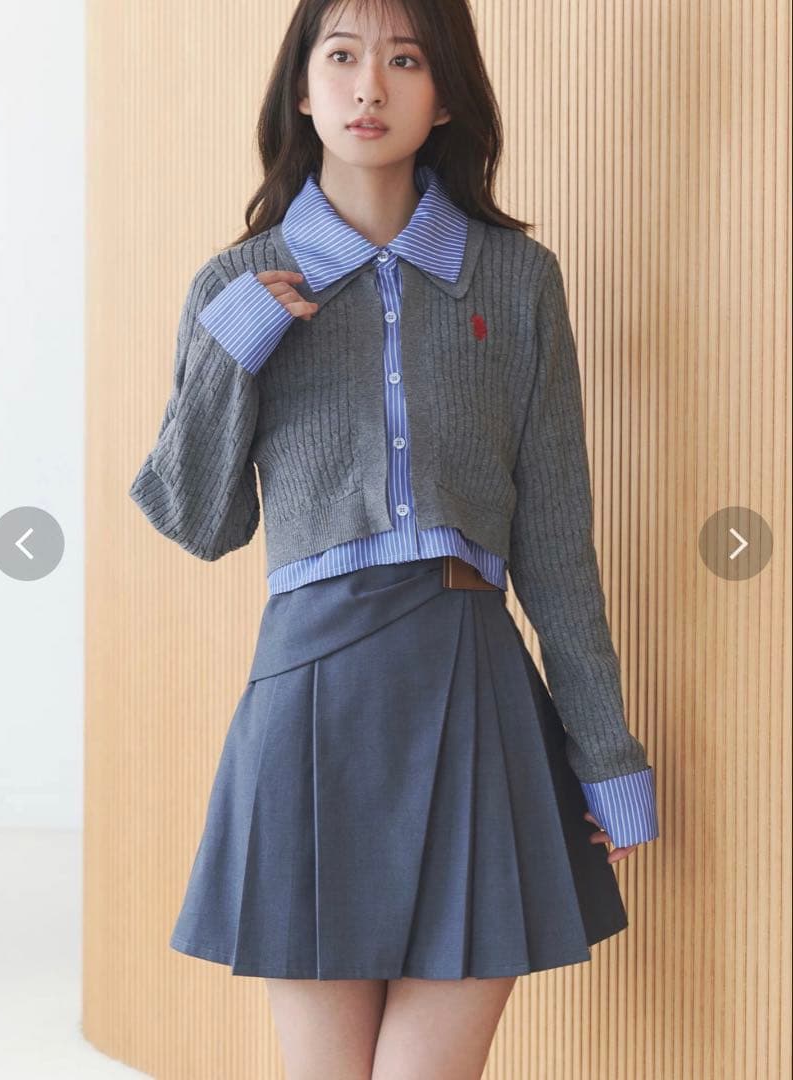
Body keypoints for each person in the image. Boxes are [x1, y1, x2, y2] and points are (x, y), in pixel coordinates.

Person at [128, 0, 660, 1076]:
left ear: (445, 95)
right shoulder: (236, 287)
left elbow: (557, 543)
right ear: (302, 86)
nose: (370, 86)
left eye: (405, 59)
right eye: (342, 56)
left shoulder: (516, 280)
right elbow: (199, 519)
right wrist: (235, 351)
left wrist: (605, 755)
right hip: (311, 698)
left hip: (475, 679)